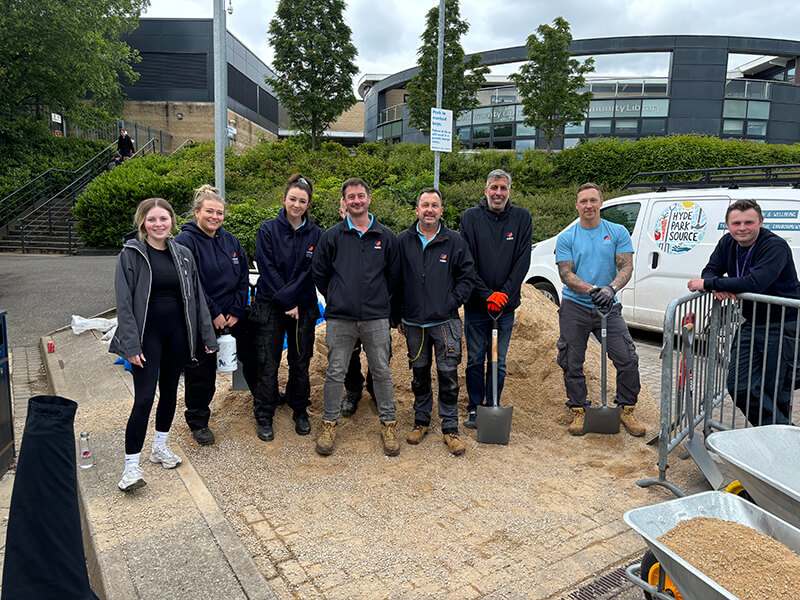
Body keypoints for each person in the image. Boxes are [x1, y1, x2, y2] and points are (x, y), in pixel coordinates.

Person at [110, 198, 218, 491]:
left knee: (170, 391)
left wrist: (207, 336)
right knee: (144, 398)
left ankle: (160, 447)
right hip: (146, 337)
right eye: (152, 219)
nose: (158, 224)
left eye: (164, 219)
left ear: (172, 221)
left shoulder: (182, 253)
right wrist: (130, 344)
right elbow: (124, 304)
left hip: (177, 335)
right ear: (142, 223)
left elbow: (197, 297)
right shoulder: (131, 255)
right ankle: (131, 467)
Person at [688, 199, 800, 425]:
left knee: (774, 390)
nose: (742, 228)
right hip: (751, 323)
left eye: (749, 222)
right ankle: (780, 433)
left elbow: (756, 282)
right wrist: (715, 283)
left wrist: (711, 284)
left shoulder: (774, 246)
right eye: (736, 223)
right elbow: (710, 270)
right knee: (739, 386)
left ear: (761, 221)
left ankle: (779, 442)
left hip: (782, 326)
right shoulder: (727, 242)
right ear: (727, 225)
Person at [311, 178, 400, 456]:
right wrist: (338, 298)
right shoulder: (332, 236)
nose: (357, 201)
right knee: (335, 372)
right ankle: (328, 423)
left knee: (383, 372)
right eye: (351, 197)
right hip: (340, 318)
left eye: (361, 196)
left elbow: (394, 277)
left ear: (369, 198)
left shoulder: (386, 237)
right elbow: (320, 274)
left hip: (376, 318)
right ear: (344, 202)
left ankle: (388, 423)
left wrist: (381, 303)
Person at [555, 183, 645, 437]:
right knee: (572, 360)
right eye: (583, 201)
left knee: (627, 358)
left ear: (601, 203)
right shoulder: (568, 237)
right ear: (577, 205)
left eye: (593, 200)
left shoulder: (616, 232)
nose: (588, 206)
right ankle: (579, 409)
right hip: (575, 306)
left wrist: (611, 289)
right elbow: (566, 273)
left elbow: (626, 266)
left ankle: (626, 407)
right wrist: (593, 289)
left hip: (609, 307)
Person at [395, 188, 475, 455]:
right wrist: (397, 314)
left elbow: (467, 278)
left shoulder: (455, 241)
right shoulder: (402, 241)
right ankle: (421, 421)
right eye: (425, 205)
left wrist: (450, 302)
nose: (430, 209)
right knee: (419, 375)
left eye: (435, 205)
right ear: (416, 210)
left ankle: (450, 428)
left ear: (442, 210)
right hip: (414, 323)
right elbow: (393, 280)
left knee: (448, 376)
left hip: (445, 322)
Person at [175, 184, 254, 446]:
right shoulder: (184, 242)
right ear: (197, 212)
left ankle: (265, 404)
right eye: (210, 211)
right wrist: (214, 313)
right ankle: (198, 421)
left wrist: (235, 310)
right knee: (201, 373)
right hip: (202, 319)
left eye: (219, 213)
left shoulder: (230, 240)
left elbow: (243, 276)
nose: (215, 217)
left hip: (233, 316)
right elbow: (191, 283)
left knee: (254, 358)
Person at [250, 174, 321, 442]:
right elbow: (267, 270)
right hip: (271, 306)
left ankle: (299, 409)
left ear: (308, 204)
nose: (297, 204)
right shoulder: (267, 230)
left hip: (302, 308)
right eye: (293, 199)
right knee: (268, 362)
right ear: (284, 199)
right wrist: (286, 301)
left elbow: (310, 271)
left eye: (302, 201)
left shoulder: (316, 234)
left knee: (300, 362)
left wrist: (294, 302)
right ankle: (264, 413)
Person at [460, 169, 532, 429]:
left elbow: (523, 260)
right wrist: (486, 294)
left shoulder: (522, 218)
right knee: (476, 359)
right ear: (486, 190)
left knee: (498, 361)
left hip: (506, 307)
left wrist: (504, 294)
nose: (498, 193)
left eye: (503, 188)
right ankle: (475, 407)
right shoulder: (471, 218)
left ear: (509, 191)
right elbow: (466, 262)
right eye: (494, 188)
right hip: (477, 306)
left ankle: (493, 405)